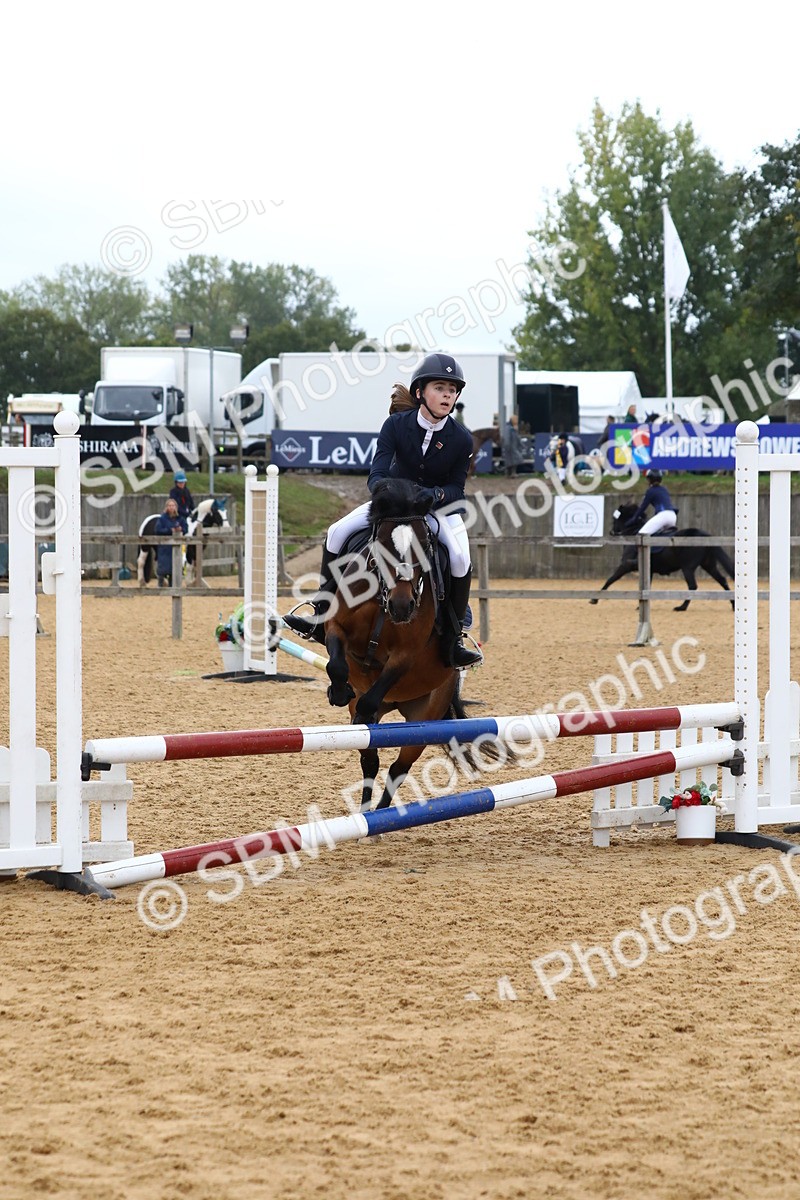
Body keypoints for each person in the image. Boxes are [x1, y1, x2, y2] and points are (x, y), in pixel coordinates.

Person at [283, 352, 482, 668]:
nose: (447, 395)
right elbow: (376, 474)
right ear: (420, 392)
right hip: (393, 506)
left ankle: (453, 639)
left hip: (437, 510)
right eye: (440, 388)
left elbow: (457, 488)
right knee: (337, 533)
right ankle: (321, 612)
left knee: (459, 558)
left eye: (452, 390)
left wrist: (432, 495)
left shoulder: (461, 439)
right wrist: (388, 495)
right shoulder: (395, 425)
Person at [623, 469, 678, 536]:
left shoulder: (650, 491)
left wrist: (632, 520)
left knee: (641, 535)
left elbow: (642, 508)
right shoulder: (664, 489)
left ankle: (646, 547)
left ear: (649, 480)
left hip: (663, 516)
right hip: (673, 516)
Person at [155, 498, 188, 587]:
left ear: (176, 507)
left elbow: (186, 528)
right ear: (166, 507)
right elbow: (158, 530)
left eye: (173, 505)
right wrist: (170, 530)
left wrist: (181, 529)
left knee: (174, 568)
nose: (171, 507)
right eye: (169, 506)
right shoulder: (162, 519)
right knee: (163, 568)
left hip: (176, 548)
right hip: (165, 548)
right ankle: (160, 584)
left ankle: (172, 586)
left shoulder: (180, 519)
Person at [501, 413, 524, 477]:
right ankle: (510, 473)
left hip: (513, 447)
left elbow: (517, 438)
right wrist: (507, 445)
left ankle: (511, 473)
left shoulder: (512, 428)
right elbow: (507, 437)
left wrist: (521, 445)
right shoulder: (508, 428)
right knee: (511, 460)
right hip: (510, 447)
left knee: (514, 460)